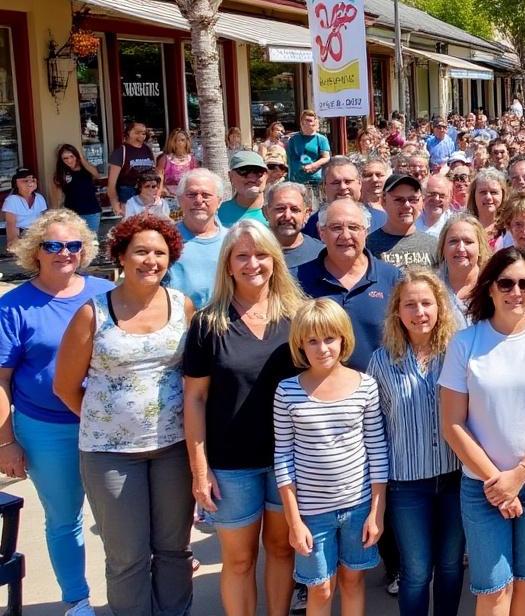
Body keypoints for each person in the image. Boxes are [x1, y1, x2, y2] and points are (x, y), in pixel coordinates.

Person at [53, 213, 195, 616]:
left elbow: (194, 376)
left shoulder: (182, 306)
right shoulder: (92, 314)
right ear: (121, 255)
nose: (151, 260)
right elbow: (65, 386)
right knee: (127, 555)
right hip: (109, 456)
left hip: (173, 449)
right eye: (141, 251)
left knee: (173, 549)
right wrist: (109, 427)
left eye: (160, 253)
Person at [439, 246, 525, 616]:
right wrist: (498, 483)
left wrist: (520, 475)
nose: (516, 292)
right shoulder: (465, 343)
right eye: (506, 282)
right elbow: (452, 423)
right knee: (493, 586)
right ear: (489, 287)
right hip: (482, 485)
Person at [182, 220, 305, 616]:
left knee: (282, 549)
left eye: (261, 254)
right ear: (228, 265)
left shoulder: (298, 316)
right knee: (238, 560)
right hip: (232, 465)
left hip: (289, 461)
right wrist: (200, 471)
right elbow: (195, 399)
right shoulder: (208, 323)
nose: (253, 263)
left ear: (275, 260)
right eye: (242, 256)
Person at [0, 210, 112, 616]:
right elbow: (1, 379)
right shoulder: (14, 306)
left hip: (107, 426)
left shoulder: (105, 292)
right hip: (46, 429)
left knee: (120, 518)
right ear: (35, 251)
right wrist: (6, 441)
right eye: (52, 245)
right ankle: (77, 599)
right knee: (65, 518)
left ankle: (129, 591)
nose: (64, 253)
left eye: (73, 245)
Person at [274, 299, 388, 616]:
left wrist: (377, 511)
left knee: (353, 581)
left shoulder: (365, 385)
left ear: (343, 339)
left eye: (329, 338)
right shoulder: (287, 391)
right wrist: (294, 520)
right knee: (320, 587)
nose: (322, 348)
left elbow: (377, 448)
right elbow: (283, 457)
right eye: (312, 340)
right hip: (312, 513)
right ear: (300, 344)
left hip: (358, 506)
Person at [367, 270, 466, 616]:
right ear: (397, 311)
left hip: (455, 478)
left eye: (427, 303)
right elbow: (374, 430)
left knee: (451, 565)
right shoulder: (381, 362)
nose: (419, 312)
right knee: (417, 571)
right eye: (410, 304)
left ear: (440, 308)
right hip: (407, 485)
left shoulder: (457, 353)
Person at [293, 198, 402, 372]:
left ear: (366, 232)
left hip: (378, 394)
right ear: (321, 233)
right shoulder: (297, 279)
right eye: (336, 227)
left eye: (353, 227)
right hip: (315, 393)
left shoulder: (392, 278)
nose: (345, 235)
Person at [167, 168, 227, 308]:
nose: (199, 201)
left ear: (219, 201)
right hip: (180, 323)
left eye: (206, 195)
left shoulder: (232, 240)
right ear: (180, 200)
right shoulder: (165, 240)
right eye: (192, 195)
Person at [301, 157, 388, 239]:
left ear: (359, 184)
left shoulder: (382, 220)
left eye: (348, 181)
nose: (343, 187)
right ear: (324, 187)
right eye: (335, 183)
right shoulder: (310, 226)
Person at [367, 174, 438, 268]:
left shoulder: (434, 245)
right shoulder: (369, 245)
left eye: (413, 199)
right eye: (399, 200)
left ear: (422, 202)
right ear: (383, 202)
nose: (407, 205)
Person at [436, 214, 491, 330]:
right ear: (443, 248)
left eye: (468, 242)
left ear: (480, 248)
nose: (461, 248)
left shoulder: (493, 285)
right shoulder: (432, 287)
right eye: (453, 241)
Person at [266, 181, 323, 268]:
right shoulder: (252, 252)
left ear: (306, 214)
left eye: (294, 209)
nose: (287, 216)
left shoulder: (322, 254)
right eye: (280, 209)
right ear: (266, 212)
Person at [52, 144, 104, 234]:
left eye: (71, 156)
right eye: (65, 158)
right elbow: (57, 197)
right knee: (75, 242)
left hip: (91, 212)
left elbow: (97, 175)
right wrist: (56, 214)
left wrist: (82, 158)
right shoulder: (61, 174)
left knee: (91, 242)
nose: (69, 160)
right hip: (72, 214)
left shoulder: (86, 169)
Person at [107, 120, 156, 215]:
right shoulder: (121, 151)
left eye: (143, 133)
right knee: (132, 226)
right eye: (137, 132)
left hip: (147, 191)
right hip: (129, 192)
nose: (141, 136)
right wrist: (114, 203)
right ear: (128, 132)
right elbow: (111, 183)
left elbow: (155, 172)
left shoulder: (147, 149)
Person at [217, 150, 269, 227]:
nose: (251, 177)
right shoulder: (217, 213)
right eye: (244, 171)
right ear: (231, 176)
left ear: (266, 175)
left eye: (258, 171)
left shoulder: (279, 212)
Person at [286, 110, 332, 192]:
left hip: (316, 178)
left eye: (311, 121)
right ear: (301, 123)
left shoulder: (321, 139)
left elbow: (326, 157)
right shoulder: (293, 139)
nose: (309, 123)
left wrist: (313, 165)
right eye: (306, 120)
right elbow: (290, 159)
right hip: (298, 179)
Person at [4, 167, 48, 251]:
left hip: (38, 235)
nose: (30, 182)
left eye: (32, 179)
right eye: (25, 180)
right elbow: (11, 224)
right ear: (16, 184)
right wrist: (14, 245)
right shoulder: (11, 200)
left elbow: (45, 220)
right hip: (22, 237)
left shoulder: (39, 197)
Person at [156, 128, 200, 200]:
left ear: (187, 142)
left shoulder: (192, 160)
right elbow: (159, 176)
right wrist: (161, 190)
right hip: (169, 196)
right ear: (171, 142)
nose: (179, 142)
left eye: (182, 140)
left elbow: (197, 178)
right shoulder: (165, 159)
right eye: (176, 140)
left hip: (188, 195)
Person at [467, 168, 508, 240]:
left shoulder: (509, 227)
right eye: (483, 192)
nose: (488, 197)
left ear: (503, 195)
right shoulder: (465, 226)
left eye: (493, 192)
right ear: (474, 195)